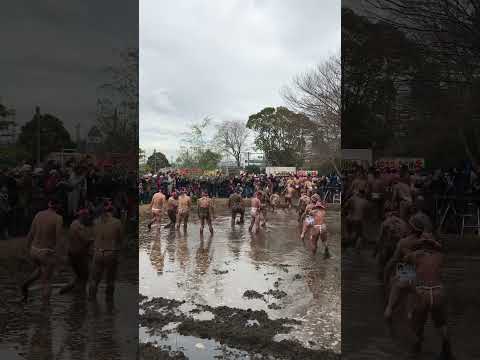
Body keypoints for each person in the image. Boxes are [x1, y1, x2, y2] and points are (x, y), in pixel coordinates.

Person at [404, 237, 453, 358]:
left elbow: (405, 275)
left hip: (423, 293)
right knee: (441, 324)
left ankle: (416, 351)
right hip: (438, 292)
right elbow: (443, 250)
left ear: (421, 245)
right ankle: (447, 348)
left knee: (416, 324)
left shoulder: (414, 255)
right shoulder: (440, 256)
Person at [383, 212, 433, 320]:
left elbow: (392, 261)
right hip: (419, 280)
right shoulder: (427, 243)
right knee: (410, 315)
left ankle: (389, 333)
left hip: (404, 274)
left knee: (389, 309)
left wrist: (385, 276)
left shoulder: (403, 242)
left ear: (410, 227)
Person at [22, 198, 63, 305]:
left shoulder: (38, 214)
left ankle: (25, 285)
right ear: (58, 207)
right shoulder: (58, 218)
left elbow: (30, 233)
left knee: (40, 270)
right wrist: (58, 258)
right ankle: (45, 310)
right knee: (47, 281)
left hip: (34, 250)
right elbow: (58, 240)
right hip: (46, 252)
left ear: (49, 204)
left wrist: (27, 250)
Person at [88, 201, 123, 300]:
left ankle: (91, 303)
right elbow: (120, 240)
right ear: (113, 210)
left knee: (94, 280)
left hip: (98, 252)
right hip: (110, 253)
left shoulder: (95, 222)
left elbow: (92, 237)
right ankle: (109, 304)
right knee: (110, 281)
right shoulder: (117, 222)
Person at [59, 208, 93, 295]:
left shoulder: (73, 223)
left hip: (72, 254)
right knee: (84, 277)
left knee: (79, 277)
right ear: (83, 216)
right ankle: (81, 297)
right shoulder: (79, 226)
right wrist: (95, 239)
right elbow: (85, 240)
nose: (89, 217)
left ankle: (63, 291)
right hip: (78, 255)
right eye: (87, 216)